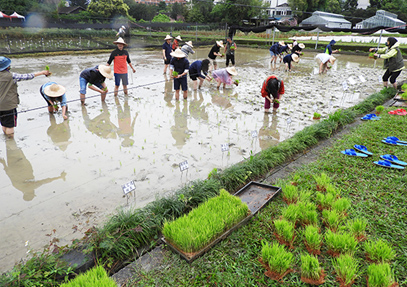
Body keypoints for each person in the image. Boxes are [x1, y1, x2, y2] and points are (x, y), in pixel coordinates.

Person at [0, 56, 50, 136]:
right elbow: (27, 76)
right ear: (7, 67)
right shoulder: (11, 76)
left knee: (4, 122)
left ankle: (6, 138)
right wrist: (41, 73)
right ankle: (10, 141)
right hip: (8, 105)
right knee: (10, 125)